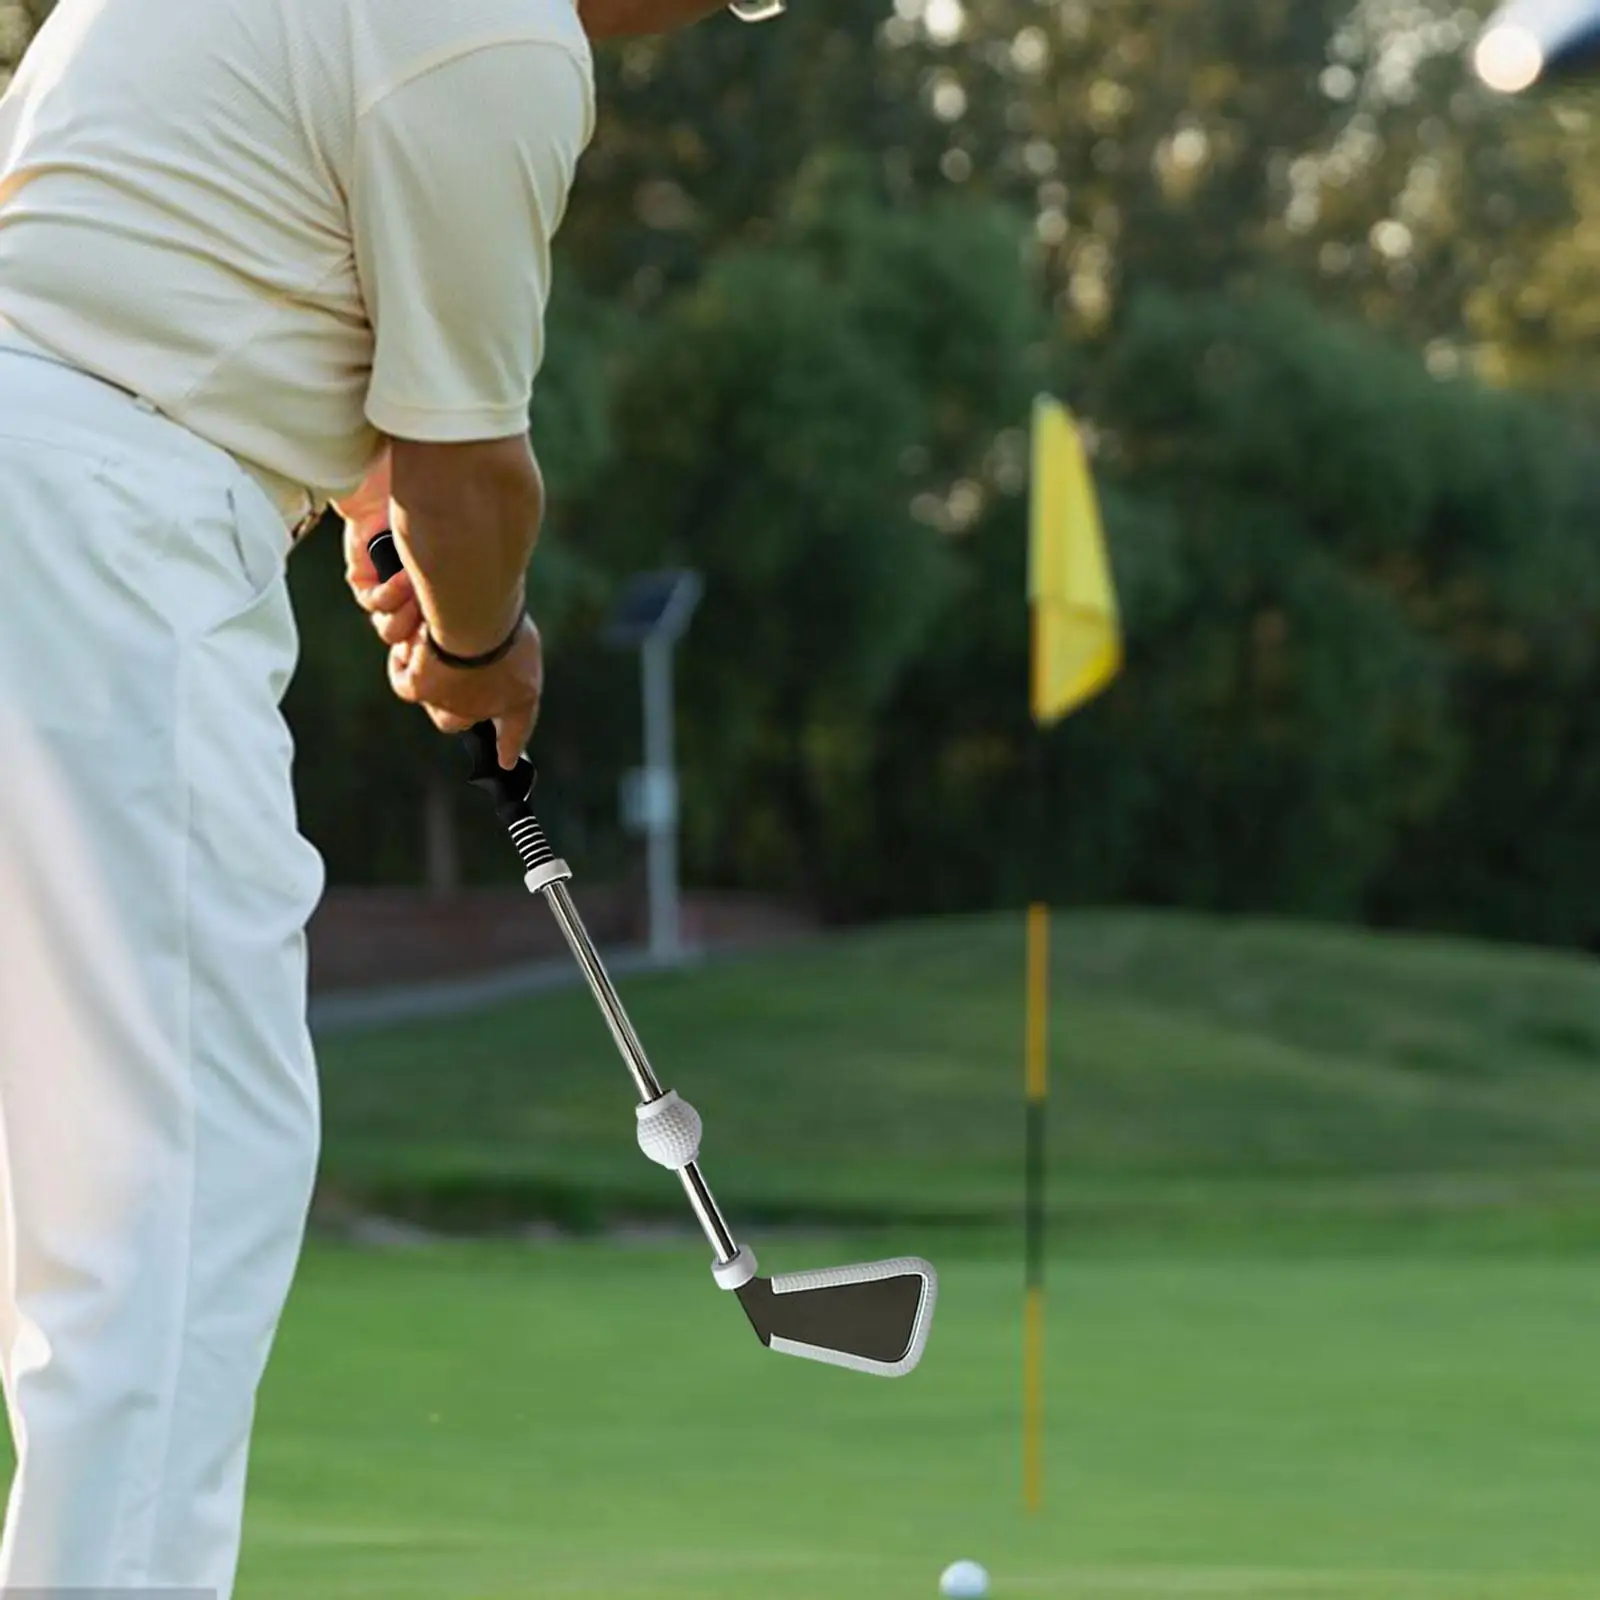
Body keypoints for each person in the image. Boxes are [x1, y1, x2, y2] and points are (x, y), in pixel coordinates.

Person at [0, 0, 731, 1589]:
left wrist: (350, 470)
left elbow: (181, 230)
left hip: (51, 454)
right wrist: (483, 645)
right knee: (172, 1181)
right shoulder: (509, 40)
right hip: (98, 540)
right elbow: (470, 474)